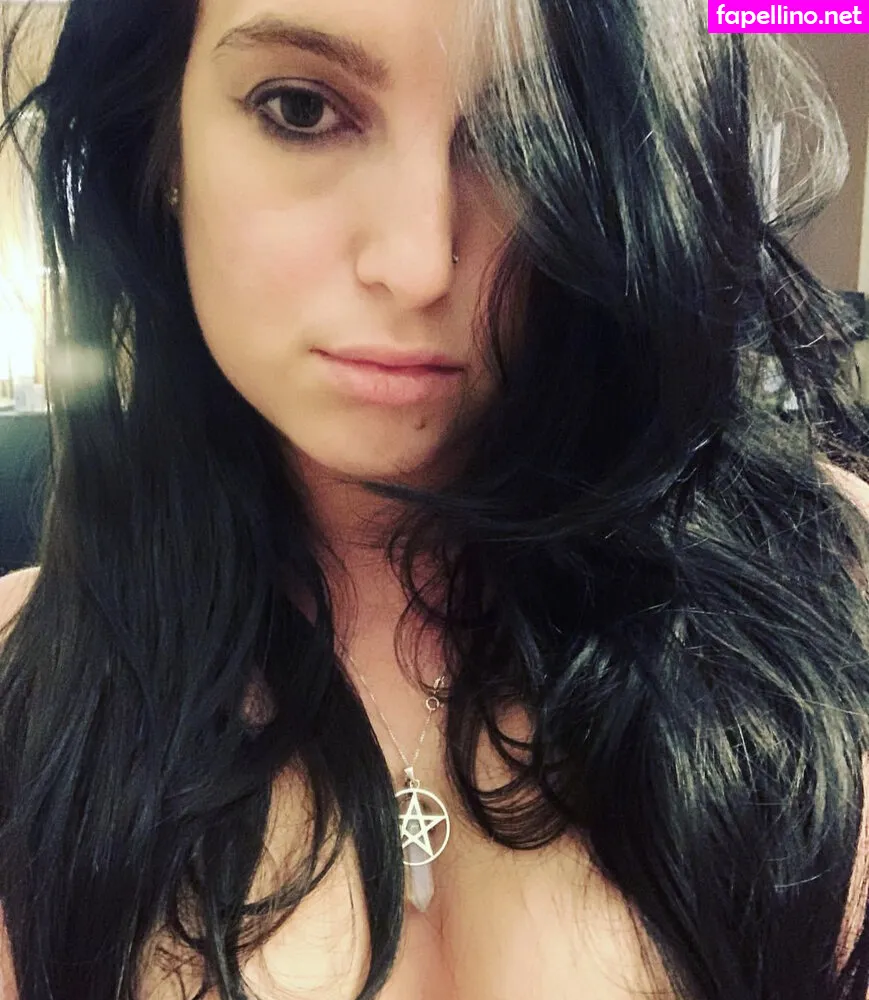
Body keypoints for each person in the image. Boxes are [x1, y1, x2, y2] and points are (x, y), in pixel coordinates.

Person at [1, 0, 869, 997]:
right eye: (299, 108)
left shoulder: (828, 590)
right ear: (159, 141)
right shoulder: (26, 690)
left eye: (524, 134)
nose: (415, 264)